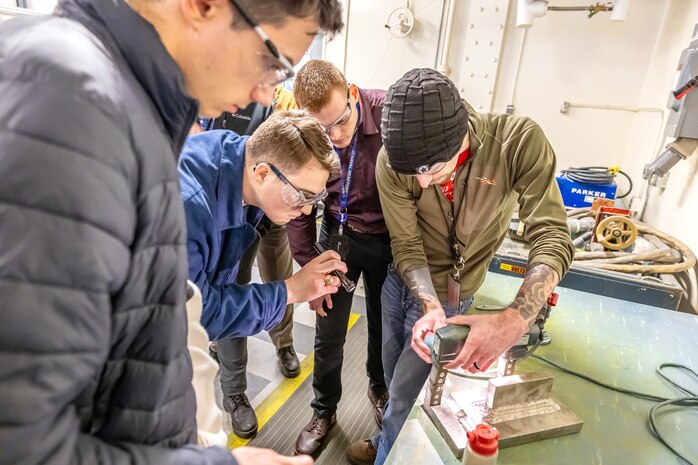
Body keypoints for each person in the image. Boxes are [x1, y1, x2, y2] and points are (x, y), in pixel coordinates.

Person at [0, 0, 342, 464]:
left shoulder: (127, 109)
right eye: (271, 61)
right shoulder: (75, 111)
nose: (265, 95)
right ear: (203, 6)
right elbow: (26, 443)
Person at [346, 68, 575, 465]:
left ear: (461, 136)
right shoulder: (393, 161)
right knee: (389, 376)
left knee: (406, 391)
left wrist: (513, 320)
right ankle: (388, 436)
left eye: (431, 170)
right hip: (401, 284)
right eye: (412, 174)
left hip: (456, 295)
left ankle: (388, 451)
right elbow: (405, 242)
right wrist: (429, 305)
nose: (422, 184)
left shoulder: (519, 144)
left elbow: (553, 237)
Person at [286, 60, 393, 458]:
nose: (336, 136)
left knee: (386, 325)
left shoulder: (390, 114)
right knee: (328, 329)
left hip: (387, 237)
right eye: (323, 130)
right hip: (337, 234)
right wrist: (307, 264)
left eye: (341, 122)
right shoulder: (303, 133)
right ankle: (322, 411)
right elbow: (298, 207)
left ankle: (379, 388)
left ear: (352, 92)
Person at [198, 87, 302, 440]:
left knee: (281, 280)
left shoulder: (272, 99)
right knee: (229, 298)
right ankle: (234, 392)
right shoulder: (204, 99)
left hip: (270, 211)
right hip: (226, 215)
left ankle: (284, 344)